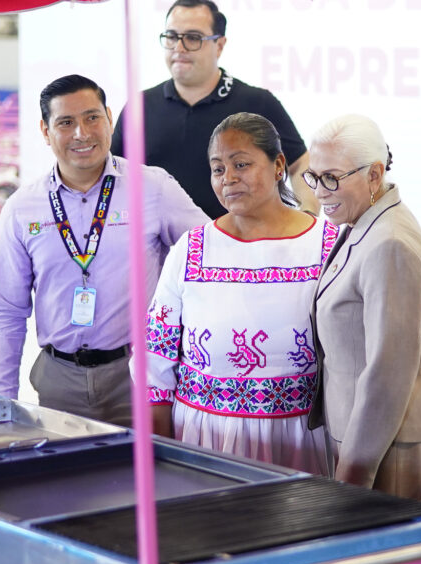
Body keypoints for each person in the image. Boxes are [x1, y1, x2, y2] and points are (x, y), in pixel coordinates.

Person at [0, 74, 207, 427]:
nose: (82, 133)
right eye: (66, 123)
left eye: (92, 117)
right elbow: (6, 311)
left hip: (140, 375)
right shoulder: (21, 208)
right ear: (45, 131)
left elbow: (207, 257)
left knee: (147, 464)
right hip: (59, 380)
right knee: (65, 463)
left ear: (109, 118)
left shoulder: (153, 188)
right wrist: (3, 400)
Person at [143, 112, 337, 475]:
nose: (228, 178)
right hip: (204, 442)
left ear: (279, 165)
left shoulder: (327, 245)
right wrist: (164, 461)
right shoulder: (192, 249)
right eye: (218, 169)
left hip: (299, 441)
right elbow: (155, 364)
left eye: (241, 164)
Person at [304, 114, 421, 503]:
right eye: (314, 177)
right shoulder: (365, 222)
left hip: (385, 449)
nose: (320, 191)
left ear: (374, 174)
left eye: (332, 177)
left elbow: (387, 374)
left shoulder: (389, 242)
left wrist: (354, 471)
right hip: (367, 439)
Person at [110, 0, 316, 219]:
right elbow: (111, 174)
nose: (179, 48)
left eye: (193, 38)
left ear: (219, 45)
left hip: (240, 237)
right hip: (157, 240)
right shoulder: (139, 107)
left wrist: (307, 217)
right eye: (171, 36)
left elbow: (300, 164)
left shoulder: (257, 103)